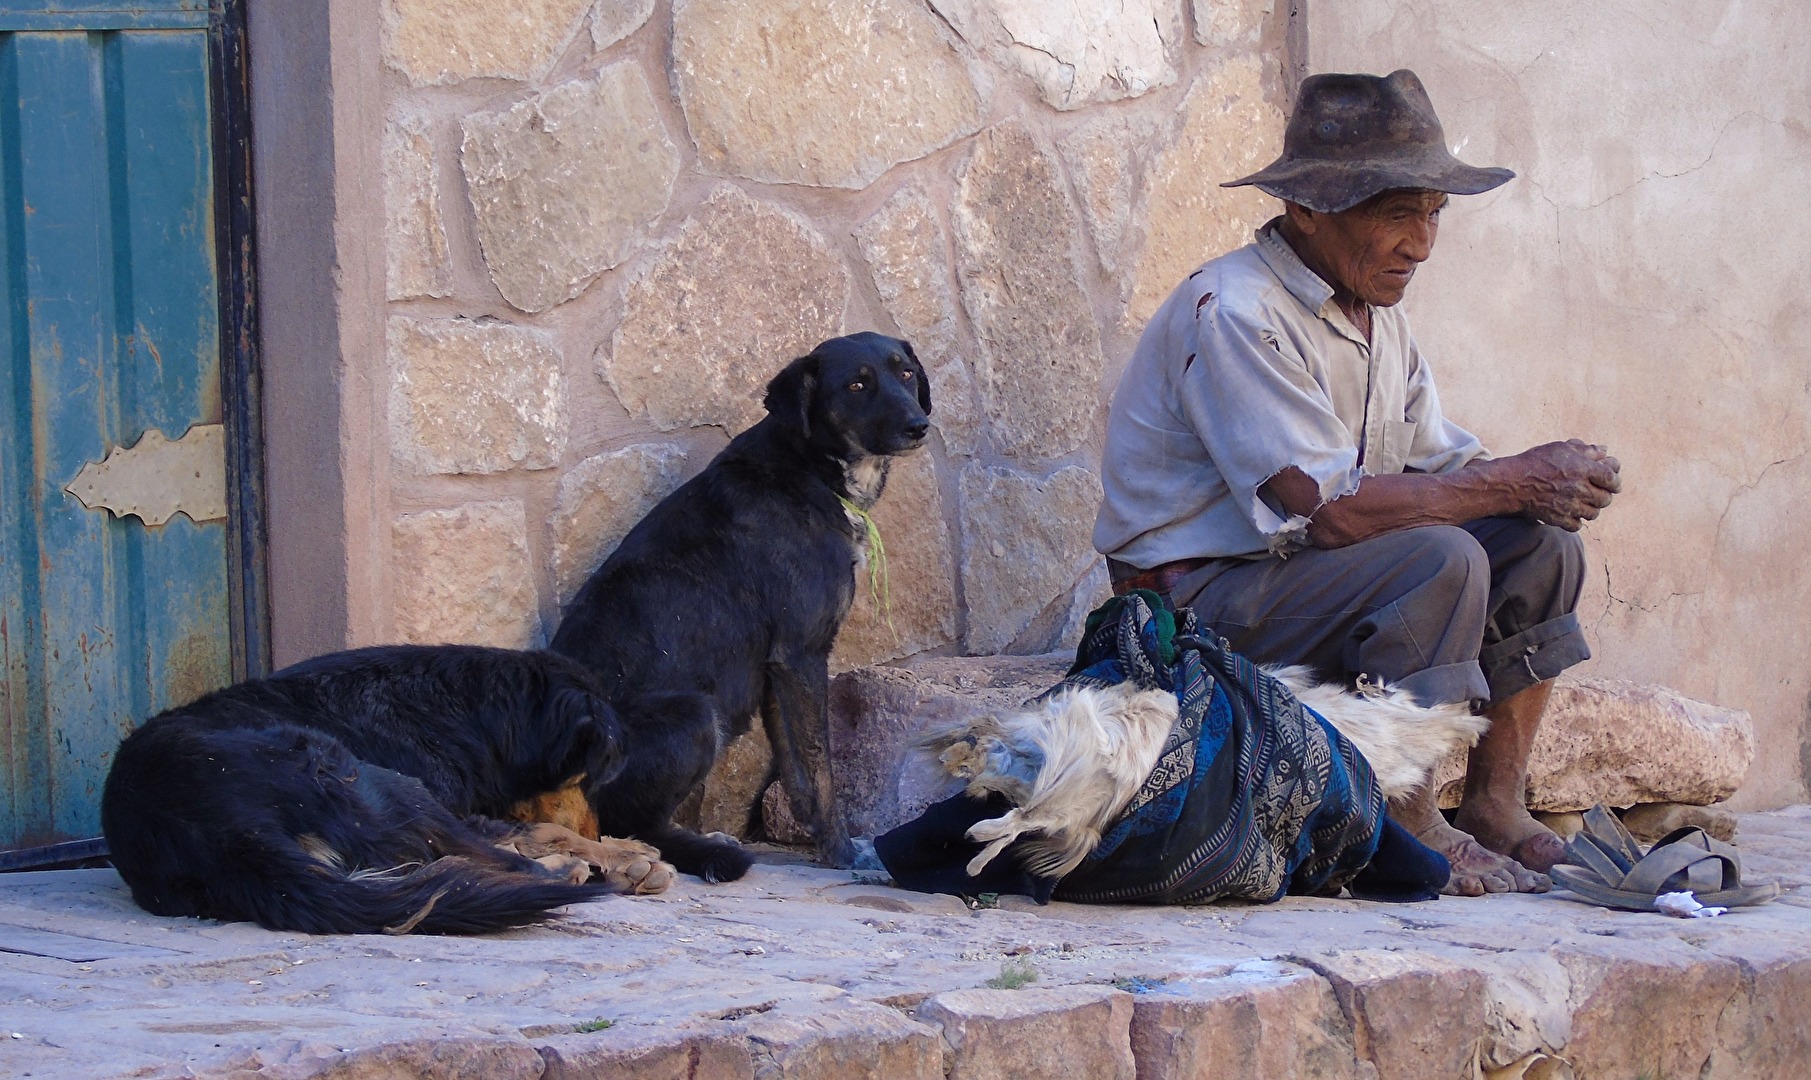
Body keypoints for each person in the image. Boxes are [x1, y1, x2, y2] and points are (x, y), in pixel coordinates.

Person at [1093, 69, 1622, 895]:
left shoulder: (1378, 320)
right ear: (1306, 210)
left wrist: (1541, 486)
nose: (1421, 242)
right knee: (1440, 559)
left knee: (1539, 543)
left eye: (1432, 212)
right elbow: (1330, 517)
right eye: (1395, 213)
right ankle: (1409, 826)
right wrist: (1516, 478)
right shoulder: (1234, 310)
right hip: (1195, 608)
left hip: (1297, 586)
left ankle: (1492, 801)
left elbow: (1442, 468)